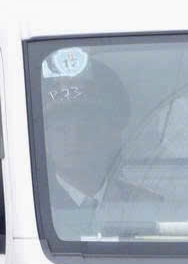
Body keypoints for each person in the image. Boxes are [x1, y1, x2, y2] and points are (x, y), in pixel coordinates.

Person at [37, 54, 155, 233]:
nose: (74, 138)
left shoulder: (146, 205)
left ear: (112, 137)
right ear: (45, 141)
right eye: (61, 129)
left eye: (87, 127)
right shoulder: (30, 204)